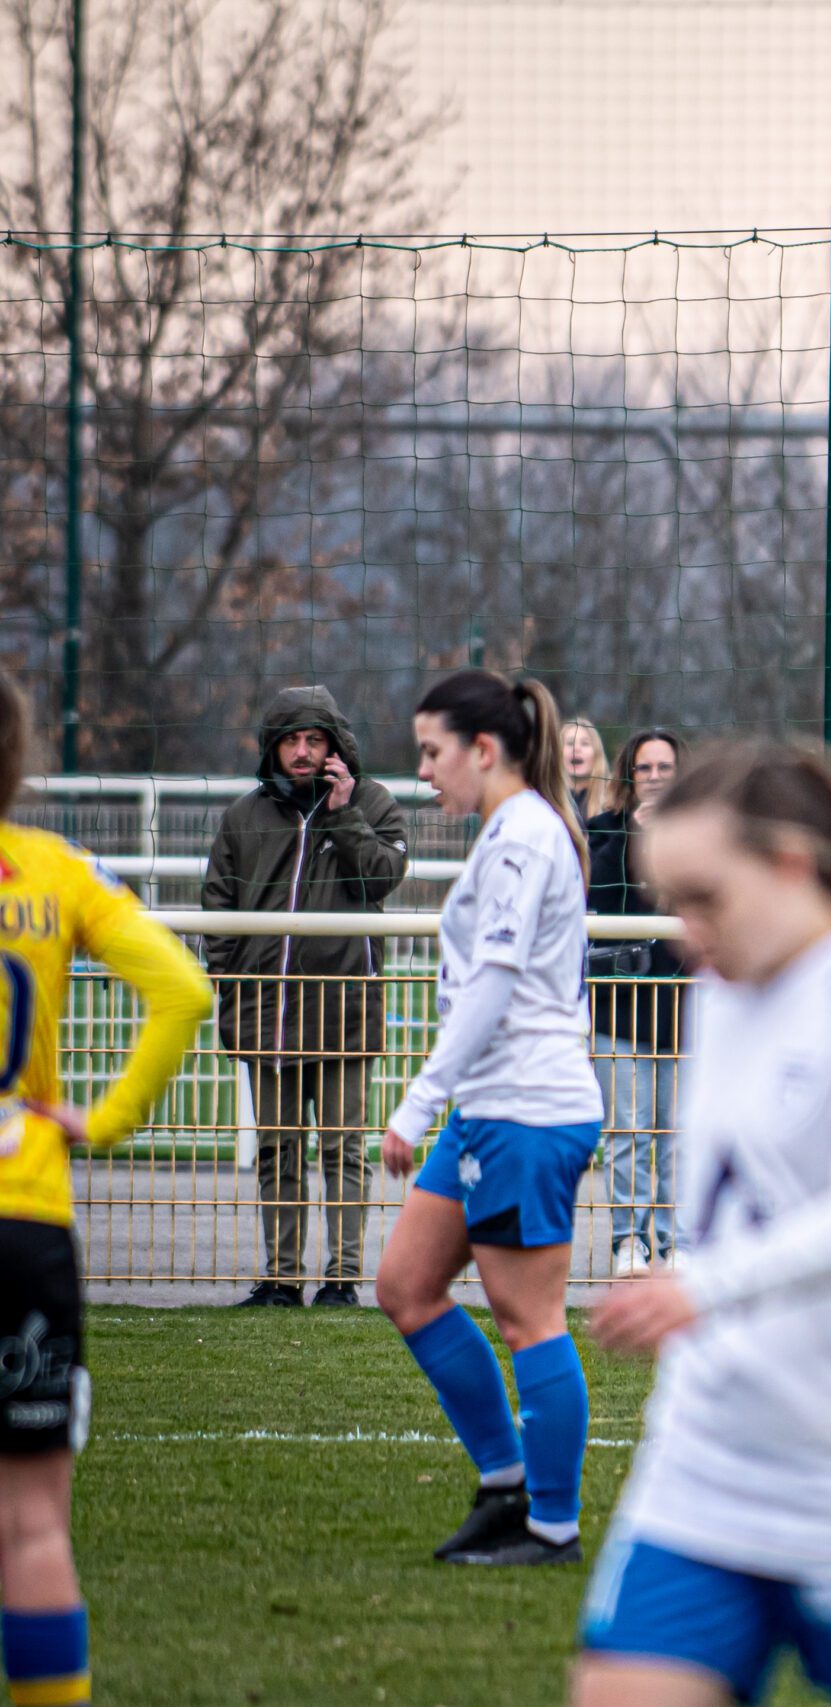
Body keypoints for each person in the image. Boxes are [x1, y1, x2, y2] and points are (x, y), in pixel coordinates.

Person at [576, 742, 831, 1707]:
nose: (686, 931)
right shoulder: (721, 994)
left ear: (792, 865)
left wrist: (702, 1285)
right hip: (702, 1469)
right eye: (672, 902)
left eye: (705, 898)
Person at [0, 670, 213, 1707]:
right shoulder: (55, 869)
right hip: (23, 1216)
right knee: (34, 1525)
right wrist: (110, 1117)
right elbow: (183, 987)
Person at [374, 670, 605, 1567]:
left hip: (528, 1111)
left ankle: (552, 1525)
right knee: (407, 1285)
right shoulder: (511, 831)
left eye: (432, 751)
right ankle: (506, 1483)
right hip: (489, 1107)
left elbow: (494, 982)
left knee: (528, 1318)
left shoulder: (523, 837)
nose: (423, 769)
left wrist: (418, 1100)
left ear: (482, 748)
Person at [202, 685, 410, 1308]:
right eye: (291, 740)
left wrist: (343, 814)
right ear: (272, 747)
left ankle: (342, 1280)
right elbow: (218, 909)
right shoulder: (243, 817)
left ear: (335, 746)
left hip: (344, 1009)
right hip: (266, 1013)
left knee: (343, 1148)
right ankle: (282, 1279)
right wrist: (231, 984)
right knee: (277, 1149)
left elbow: (382, 876)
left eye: (314, 740)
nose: (301, 752)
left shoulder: (373, 803)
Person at [588, 728, 689, 1278]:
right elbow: (599, 895)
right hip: (620, 1005)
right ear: (628, 776)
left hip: (684, 1004)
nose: (653, 778)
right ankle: (629, 1240)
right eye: (644, 768)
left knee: (678, 1134)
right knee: (627, 1130)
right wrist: (634, 836)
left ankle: (681, 1242)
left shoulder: (701, 831)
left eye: (664, 768)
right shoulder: (604, 830)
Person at [563, 717, 610, 822]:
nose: (576, 748)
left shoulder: (612, 802)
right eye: (570, 743)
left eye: (585, 743)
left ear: (597, 753)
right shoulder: (544, 801)